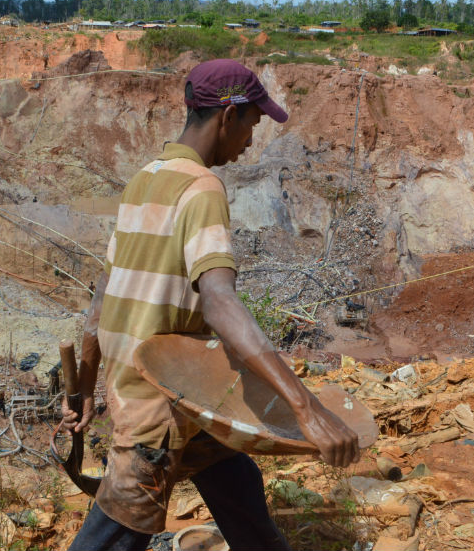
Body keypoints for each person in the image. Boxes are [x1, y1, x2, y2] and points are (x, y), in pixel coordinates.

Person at [62, 59, 360, 551]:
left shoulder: (144, 178)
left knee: (237, 484)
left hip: (182, 396)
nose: (249, 141)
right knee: (113, 536)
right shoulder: (202, 189)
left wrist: (89, 387)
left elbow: (102, 297)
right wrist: (304, 407)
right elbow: (220, 302)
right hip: (154, 409)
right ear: (228, 117)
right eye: (252, 125)